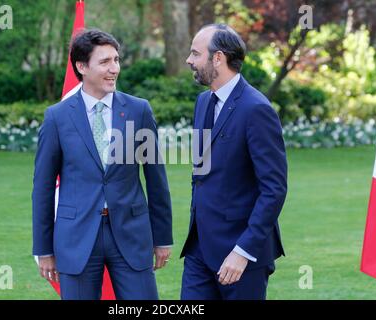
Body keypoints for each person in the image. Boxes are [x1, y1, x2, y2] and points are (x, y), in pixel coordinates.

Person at [32, 29, 173, 300]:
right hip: (76, 238)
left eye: (116, 60)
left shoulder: (139, 110)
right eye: (105, 62)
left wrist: (162, 237)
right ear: (82, 66)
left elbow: (157, 179)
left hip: (132, 235)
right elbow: (43, 189)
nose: (114, 69)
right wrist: (44, 249)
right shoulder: (57, 117)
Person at [180, 23, 288, 300]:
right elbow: (203, 172)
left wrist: (243, 252)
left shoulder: (257, 109)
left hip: (240, 255)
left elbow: (274, 189)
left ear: (218, 58)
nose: (189, 60)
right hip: (198, 250)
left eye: (195, 53)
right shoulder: (203, 103)